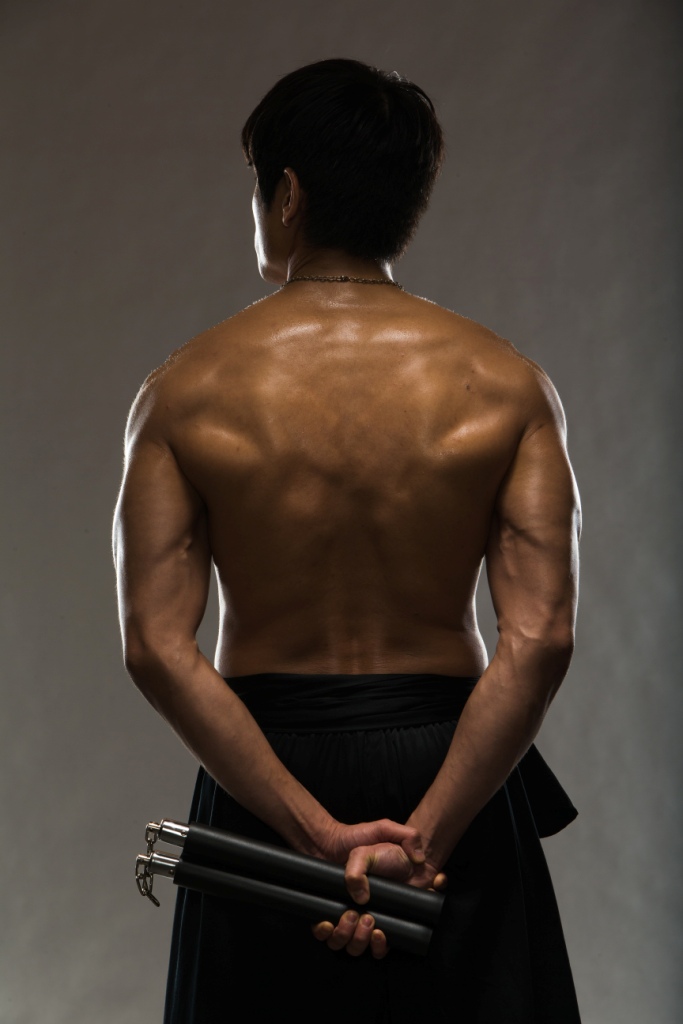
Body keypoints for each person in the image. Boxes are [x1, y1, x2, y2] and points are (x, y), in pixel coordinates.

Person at [113, 58, 582, 1022]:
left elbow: (156, 645)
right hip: (456, 771)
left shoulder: (182, 393)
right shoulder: (509, 387)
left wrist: (317, 836)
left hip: (264, 775)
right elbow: (539, 638)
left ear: (287, 196)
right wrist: (425, 840)